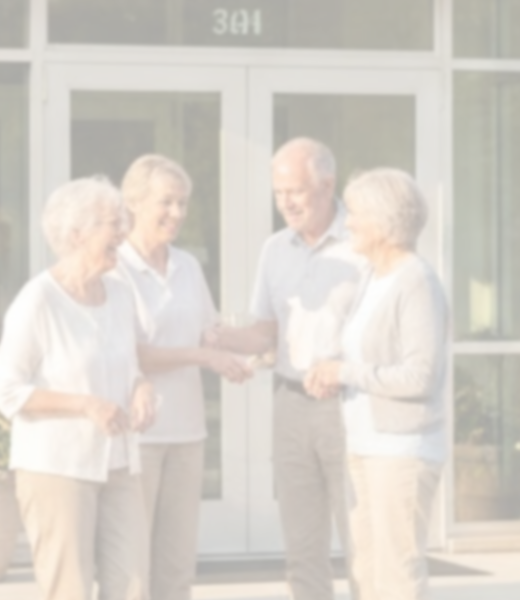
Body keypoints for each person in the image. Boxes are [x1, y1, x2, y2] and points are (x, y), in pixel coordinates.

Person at [203, 137, 365, 600]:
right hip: (290, 404)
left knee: (361, 539)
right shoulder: (275, 249)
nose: (286, 202)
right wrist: (216, 337)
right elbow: (264, 334)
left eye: (295, 190)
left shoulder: (364, 245)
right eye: (279, 193)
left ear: (327, 184)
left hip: (347, 406)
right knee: (302, 544)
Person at [0, 176, 151, 600]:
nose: (123, 233)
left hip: (119, 464)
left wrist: (141, 389)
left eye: (122, 222)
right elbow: (5, 390)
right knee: (70, 591)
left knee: (132, 586)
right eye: (112, 223)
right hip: (58, 468)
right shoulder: (38, 300)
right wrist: (84, 405)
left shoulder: (118, 294)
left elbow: (129, 367)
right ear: (76, 233)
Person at [306, 169, 450, 600]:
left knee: (396, 572)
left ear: (385, 223)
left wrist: (347, 373)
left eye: (355, 213)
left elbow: (421, 375)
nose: (347, 222)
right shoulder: (372, 275)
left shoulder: (417, 281)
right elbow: (368, 358)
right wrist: (333, 370)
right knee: (366, 569)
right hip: (365, 445)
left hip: (401, 451)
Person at [116, 155, 252, 600]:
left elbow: (206, 330)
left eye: (183, 203)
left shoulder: (188, 266)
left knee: (177, 565)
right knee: (133, 566)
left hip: (187, 433)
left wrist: (224, 347)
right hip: (138, 436)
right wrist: (202, 355)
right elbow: (128, 354)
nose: (177, 213)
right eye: (166, 202)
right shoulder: (115, 268)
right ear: (133, 202)